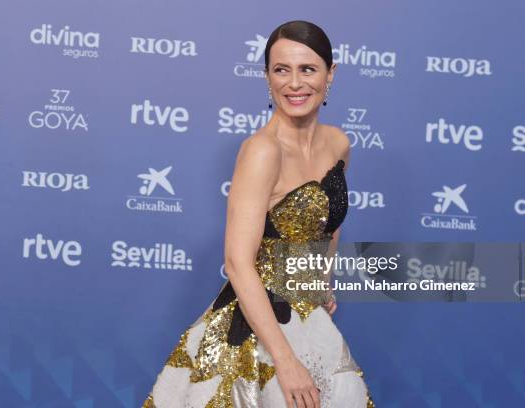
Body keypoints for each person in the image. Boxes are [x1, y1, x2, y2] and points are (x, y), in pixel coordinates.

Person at [142, 20, 374, 408]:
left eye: (308, 69)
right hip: (257, 328)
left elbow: (328, 220)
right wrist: (285, 361)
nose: (294, 84)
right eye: (281, 70)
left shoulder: (338, 143)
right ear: (267, 76)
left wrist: (321, 277)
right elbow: (237, 263)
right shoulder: (262, 151)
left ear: (330, 74)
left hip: (307, 314)